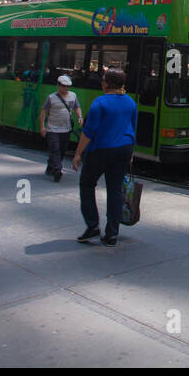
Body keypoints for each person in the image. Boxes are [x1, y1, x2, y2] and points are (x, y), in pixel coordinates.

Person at [73, 68, 136, 245]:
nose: (101, 82)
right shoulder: (130, 102)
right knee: (115, 190)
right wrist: (130, 154)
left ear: (107, 83)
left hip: (101, 149)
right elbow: (132, 128)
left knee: (87, 184)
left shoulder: (99, 103)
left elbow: (88, 132)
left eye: (103, 79)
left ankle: (93, 225)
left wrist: (78, 154)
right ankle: (112, 234)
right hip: (124, 149)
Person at [39, 75, 83, 183]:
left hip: (66, 129)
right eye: (63, 86)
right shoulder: (51, 97)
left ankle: (51, 166)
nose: (66, 88)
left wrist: (80, 117)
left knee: (62, 150)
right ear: (58, 85)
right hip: (52, 129)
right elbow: (43, 111)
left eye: (67, 86)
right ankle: (57, 170)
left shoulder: (73, 96)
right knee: (55, 149)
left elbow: (77, 107)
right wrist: (42, 127)